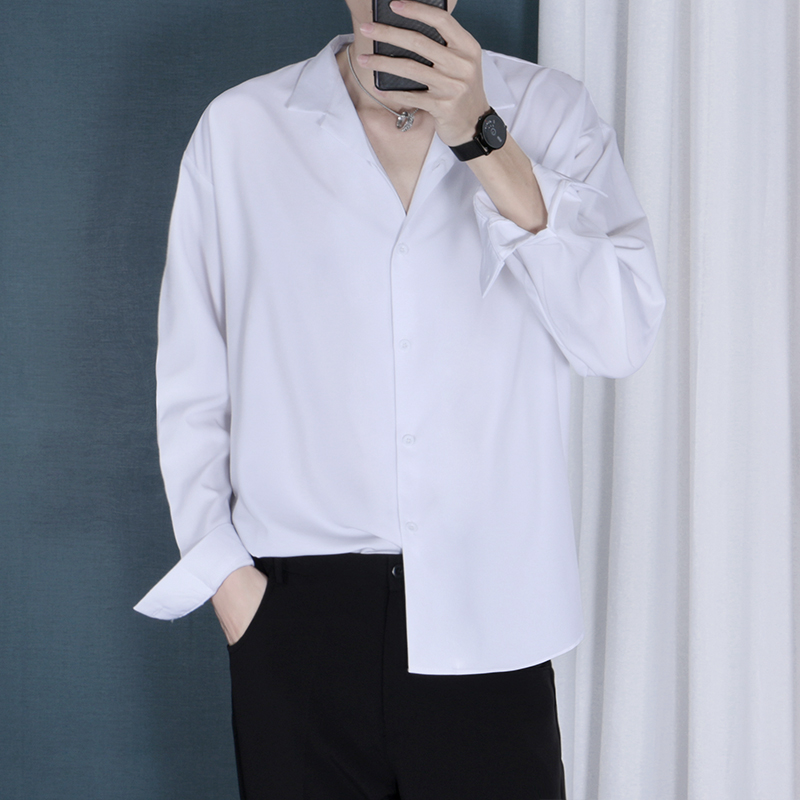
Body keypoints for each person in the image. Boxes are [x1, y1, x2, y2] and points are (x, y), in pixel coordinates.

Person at [135, 1, 665, 797]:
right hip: (296, 617)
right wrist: (232, 588)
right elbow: (191, 380)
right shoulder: (241, 131)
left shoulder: (550, 113)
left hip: (492, 615)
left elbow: (618, 337)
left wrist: (483, 136)